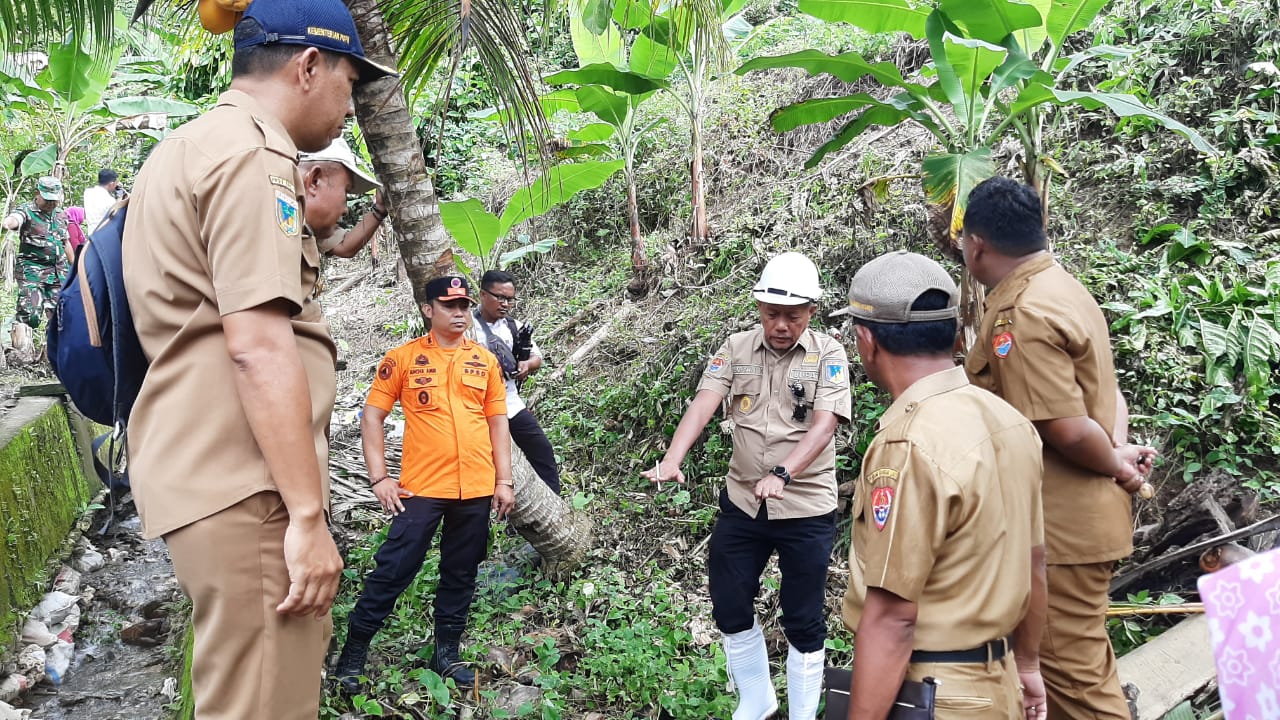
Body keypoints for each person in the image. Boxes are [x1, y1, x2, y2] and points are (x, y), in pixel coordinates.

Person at [121, 0, 394, 717]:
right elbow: (259, 345)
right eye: (349, 83)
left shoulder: (188, 145)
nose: (349, 107)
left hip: (209, 472)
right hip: (250, 487)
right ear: (309, 65)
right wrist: (306, 516)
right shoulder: (254, 155)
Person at [960, 177, 1158, 720]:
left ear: (976, 244)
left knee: (1074, 684)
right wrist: (1116, 451)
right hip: (1081, 525)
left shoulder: (1022, 313)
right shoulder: (1064, 287)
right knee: (1083, 668)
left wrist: (1116, 463)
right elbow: (1107, 394)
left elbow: (1065, 426)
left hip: (1060, 533)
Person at [835, 250, 1047, 720]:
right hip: (998, 685)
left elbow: (893, 619)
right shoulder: (1010, 422)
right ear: (954, 333)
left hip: (936, 695)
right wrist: (1028, 665)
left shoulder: (908, 445)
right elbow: (1034, 561)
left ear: (866, 340)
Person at [641, 252, 851, 720]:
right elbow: (704, 402)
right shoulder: (736, 348)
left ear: (811, 311)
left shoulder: (828, 354)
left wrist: (783, 473)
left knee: (803, 617)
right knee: (729, 602)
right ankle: (757, 700)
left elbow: (825, 424)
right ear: (758, 307)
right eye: (772, 314)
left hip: (805, 507)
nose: (781, 326)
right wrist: (672, 459)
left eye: (792, 316)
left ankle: (801, 713)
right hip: (744, 501)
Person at [333, 275, 514, 692]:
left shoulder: (484, 361)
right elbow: (372, 417)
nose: (459, 313)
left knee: (461, 572)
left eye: (464, 305)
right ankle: (353, 654)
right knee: (394, 568)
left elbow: (497, 422)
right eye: (449, 306)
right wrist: (379, 477)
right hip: (422, 489)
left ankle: (446, 654)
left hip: (475, 487)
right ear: (428, 309)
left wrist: (503, 481)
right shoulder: (402, 359)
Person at [466, 269, 561, 493]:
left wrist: (526, 365)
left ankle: (553, 499)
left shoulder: (512, 326)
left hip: (509, 402)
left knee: (541, 449)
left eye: (509, 299)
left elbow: (537, 357)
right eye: (500, 297)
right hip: (476, 407)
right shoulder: (468, 327)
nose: (505, 304)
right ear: (483, 294)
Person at [2, 177, 69, 353]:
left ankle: (54, 354)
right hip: (32, 271)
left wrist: (76, 266)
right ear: (37, 193)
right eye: (47, 199)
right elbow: (16, 218)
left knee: (61, 316)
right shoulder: (27, 210)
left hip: (58, 272)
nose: (51, 204)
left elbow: (65, 242)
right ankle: (21, 351)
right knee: (30, 313)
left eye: (54, 200)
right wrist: (9, 222)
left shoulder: (61, 215)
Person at [297, 137, 388, 258]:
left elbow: (343, 246)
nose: (345, 210)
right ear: (314, 181)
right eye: (345, 191)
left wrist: (379, 209)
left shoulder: (308, 222)